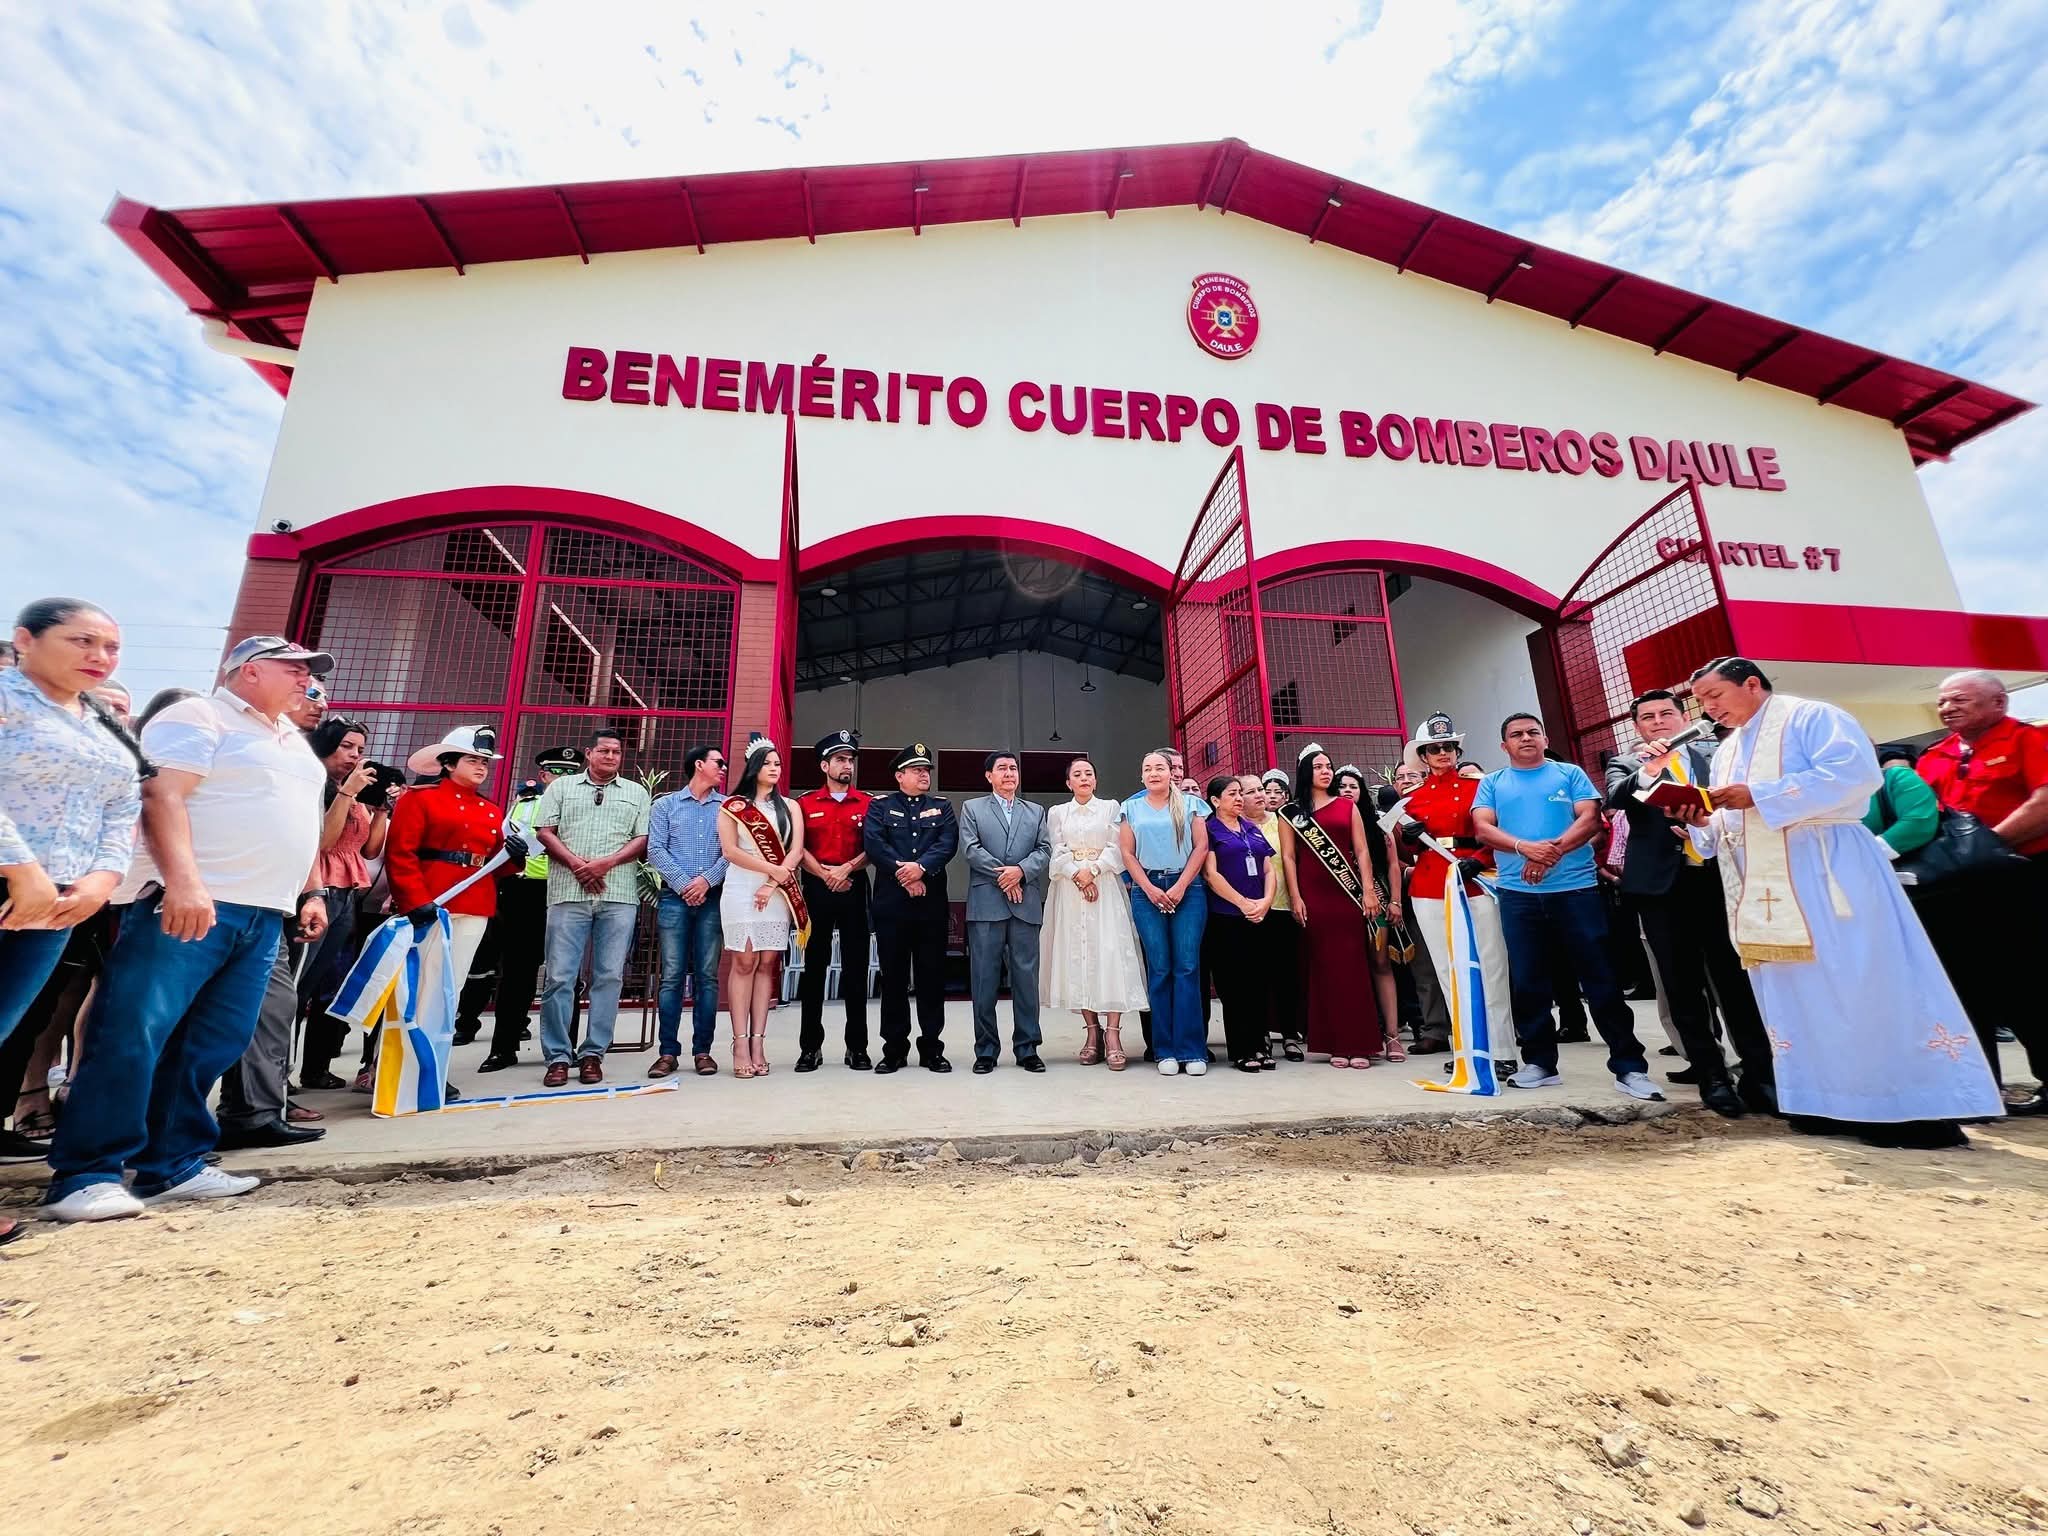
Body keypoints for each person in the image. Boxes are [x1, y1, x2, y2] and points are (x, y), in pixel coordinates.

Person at [43, 635, 331, 1222]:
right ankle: (86, 1174)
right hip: (194, 903)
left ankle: (172, 1164)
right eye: (292, 668)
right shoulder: (199, 715)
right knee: (134, 1034)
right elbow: (160, 794)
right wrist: (183, 882)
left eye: (309, 671)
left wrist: (310, 891)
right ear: (248, 672)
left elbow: (296, 822)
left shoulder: (290, 740)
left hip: (262, 912)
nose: (306, 679)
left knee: (212, 1041)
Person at [1693, 657, 2003, 1147]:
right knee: (1798, 995)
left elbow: (1856, 775)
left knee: (1862, 981)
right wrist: (1699, 820)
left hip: (1830, 872)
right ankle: (1828, 1101)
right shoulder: (1729, 748)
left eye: (1715, 695)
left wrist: (1760, 794)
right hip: (1770, 890)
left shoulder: (1812, 716)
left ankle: (1908, 1108)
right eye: (1702, 701)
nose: (1709, 708)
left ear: (1751, 684)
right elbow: (1731, 823)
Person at [0, 600, 144, 1240]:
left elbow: (123, 805)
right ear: (25, 639)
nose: (99, 656)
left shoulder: (103, 723)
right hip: (18, 882)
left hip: (62, 900)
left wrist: (102, 879)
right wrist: (18, 866)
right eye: (82, 641)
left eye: (110, 646)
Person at [1470, 712, 1660, 1099]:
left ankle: (1629, 1066)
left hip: (1576, 891)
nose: (1526, 738)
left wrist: (1548, 855)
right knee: (1529, 981)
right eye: (1517, 734)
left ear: (1545, 738)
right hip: (1518, 895)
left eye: (1533, 732)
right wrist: (1525, 848)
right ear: (1504, 745)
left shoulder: (1569, 774)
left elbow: (1589, 819)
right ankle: (1540, 1063)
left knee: (1600, 978)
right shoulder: (1492, 783)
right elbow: (1483, 828)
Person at [1605, 690, 1774, 1118]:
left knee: (1735, 980)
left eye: (1666, 713)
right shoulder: (1627, 763)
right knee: (1682, 984)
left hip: (1717, 879)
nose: (1658, 721)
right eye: (1648, 717)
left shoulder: (1715, 755)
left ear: (1683, 718)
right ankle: (1711, 1075)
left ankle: (1761, 1074)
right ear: (1638, 726)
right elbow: (1616, 798)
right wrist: (1650, 770)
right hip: (1662, 888)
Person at [1913, 670, 2048, 1112]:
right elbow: (1923, 815)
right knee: (1964, 983)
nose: (1947, 708)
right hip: (1956, 886)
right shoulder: (1934, 756)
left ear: (1998, 703)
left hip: (2021, 875)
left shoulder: (2029, 740)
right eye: (1943, 701)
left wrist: (1983, 848)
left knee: (2029, 982)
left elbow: (2044, 803)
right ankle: (1979, 1089)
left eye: (1960, 700)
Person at [534, 728, 650, 1087]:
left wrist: (605, 864)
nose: (611, 756)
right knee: (560, 977)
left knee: (609, 976)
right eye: (604, 751)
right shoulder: (561, 788)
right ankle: (557, 1056)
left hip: (618, 894)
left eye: (616, 752)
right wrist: (577, 865)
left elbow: (642, 839)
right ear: (589, 753)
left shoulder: (636, 792)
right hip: (568, 892)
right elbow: (545, 831)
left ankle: (593, 1054)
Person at [1399, 713, 1512, 1069]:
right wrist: (1409, 839)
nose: (1443, 753)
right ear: (1424, 755)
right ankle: (1466, 1049)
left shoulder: (1480, 787)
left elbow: (1499, 830)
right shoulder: (1413, 798)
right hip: (1431, 884)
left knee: (1492, 964)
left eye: (1448, 746)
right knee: (1448, 968)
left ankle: (1503, 1051)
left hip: (1476, 879)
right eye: (1435, 748)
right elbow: (1408, 850)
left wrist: (1481, 859)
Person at [294, 717, 395, 1090]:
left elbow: (369, 849)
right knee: (297, 987)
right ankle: (277, 1080)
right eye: (346, 746)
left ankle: (315, 1068)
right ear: (325, 746)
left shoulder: (349, 789)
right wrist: (347, 794)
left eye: (360, 750)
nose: (354, 756)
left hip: (347, 893)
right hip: (315, 890)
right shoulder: (314, 783)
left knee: (327, 984)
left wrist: (381, 809)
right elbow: (323, 841)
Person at [1276, 743, 1385, 1068]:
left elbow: (1362, 851)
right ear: (1305, 772)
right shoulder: (1291, 812)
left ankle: (1361, 1042)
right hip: (1313, 896)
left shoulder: (1346, 806)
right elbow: (1288, 857)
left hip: (1346, 895)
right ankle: (1334, 1043)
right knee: (1323, 969)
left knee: (1353, 966)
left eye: (1328, 766)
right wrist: (1295, 896)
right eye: (1318, 766)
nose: (1326, 771)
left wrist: (1368, 890)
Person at [475, 747, 579, 1071]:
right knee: (517, 971)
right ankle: (503, 1048)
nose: (563, 778)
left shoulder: (584, 806)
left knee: (567, 973)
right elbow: (506, 839)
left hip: (566, 889)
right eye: (557, 772)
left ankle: (566, 1048)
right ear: (544, 775)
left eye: (570, 773)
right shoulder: (525, 804)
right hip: (525, 891)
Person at [1042, 754, 1148, 1069]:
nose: (1084, 778)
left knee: (1109, 954)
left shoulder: (1111, 808)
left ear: (1096, 779)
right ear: (1068, 782)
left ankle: (1113, 1034)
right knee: (1079, 955)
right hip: (1070, 889)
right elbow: (1056, 849)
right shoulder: (1057, 812)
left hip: (1105, 887)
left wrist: (1094, 871)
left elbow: (1118, 847)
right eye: (1077, 774)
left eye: (1088, 773)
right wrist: (1078, 874)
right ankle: (1092, 1032)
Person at [863, 742, 958, 1073]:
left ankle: (932, 1048)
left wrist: (921, 869)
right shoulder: (880, 806)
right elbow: (875, 844)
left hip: (930, 904)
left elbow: (947, 843)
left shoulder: (942, 807)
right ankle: (894, 1049)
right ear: (899, 775)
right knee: (894, 978)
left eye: (926, 770)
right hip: (893, 905)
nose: (924, 775)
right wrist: (906, 875)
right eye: (917, 770)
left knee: (932, 977)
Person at [960, 750, 1052, 1073]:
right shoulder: (972, 808)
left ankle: (1028, 1048)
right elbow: (971, 849)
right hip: (987, 903)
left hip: (1025, 903)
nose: (1009, 773)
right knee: (984, 979)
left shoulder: (1035, 811)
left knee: (1026, 979)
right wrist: (1006, 876)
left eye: (1013, 768)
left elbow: (1044, 849)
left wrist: (1021, 872)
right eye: (1002, 769)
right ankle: (986, 1050)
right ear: (989, 776)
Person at [717, 736, 803, 1079]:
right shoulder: (733, 806)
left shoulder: (791, 807)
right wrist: (771, 871)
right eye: (767, 763)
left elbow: (796, 851)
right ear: (754, 767)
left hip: (776, 892)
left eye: (778, 764)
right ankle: (739, 1043)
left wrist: (772, 883)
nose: (774, 769)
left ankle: (758, 1043)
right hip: (742, 887)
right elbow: (730, 851)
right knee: (744, 961)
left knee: (768, 963)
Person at [1120, 749, 1211, 1075]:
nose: (1154, 773)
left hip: (1188, 889)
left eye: (1159, 767)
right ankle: (1165, 1050)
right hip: (1148, 890)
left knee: (1187, 967)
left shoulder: (1191, 804)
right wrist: (1149, 888)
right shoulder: (1129, 808)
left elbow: (1201, 846)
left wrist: (1181, 885)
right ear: (1141, 775)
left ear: (1171, 772)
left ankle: (1192, 1050)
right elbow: (1127, 854)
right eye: (1148, 769)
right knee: (1159, 969)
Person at [646, 742, 728, 1078]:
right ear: (698, 765)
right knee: (672, 977)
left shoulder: (727, 807)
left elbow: (731, 853)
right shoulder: (665, 805)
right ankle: (667, 1052)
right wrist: (684, 885)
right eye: (718, 762)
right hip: (673, 898)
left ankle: (703, 1051)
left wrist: (705, 882)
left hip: (712, 898)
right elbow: (655, 850)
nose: (723, 768)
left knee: (708, 977)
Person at [793, 730, 872, 1072]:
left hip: (854, 886)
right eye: (840, 759)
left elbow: (875, 847)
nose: (847, 765)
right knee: (814, 969)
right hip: (817, 888)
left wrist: (847, 869)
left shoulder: (868, 803)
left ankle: (857, 1047)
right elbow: (798, 848)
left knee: (856, 969)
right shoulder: (805, 803)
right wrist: (826, 875)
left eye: (850, 759)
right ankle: (810, 1048)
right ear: (824, 765)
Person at [1202, 773, 1279, 1071]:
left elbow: (1268, 869)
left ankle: (1260, 1046)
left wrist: (1265, 901)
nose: (1238, 798)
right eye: (1232, 794)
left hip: (1258, 915)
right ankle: (1241, 1050)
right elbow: (1211, 874)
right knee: (1234, 985)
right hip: (1226, 918)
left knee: (1258, 982)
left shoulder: (1251, 828)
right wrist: (1243, 903)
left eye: (1239, 793)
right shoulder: (1210, 830)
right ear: (1215, 800)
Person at [1333, 762, 1405, 1052]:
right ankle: (1357, 1034)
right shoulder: (1325, 824)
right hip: (1340, 901)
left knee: (1381, 963)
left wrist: (1396, 900)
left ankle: (1392, 1035)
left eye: (1353, 786)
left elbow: (1392, 865)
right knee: (1349, 967)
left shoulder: (1378, 823)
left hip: (1377, 900)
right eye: (1341, 786)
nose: (1347, 790)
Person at [1249, 769, 1304, 1060]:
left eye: (1263, 790)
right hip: (1250, 910)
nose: (1261, 795)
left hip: (1282, 906)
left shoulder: (1281, 821)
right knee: (1257, 975)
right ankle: (1262, 1035)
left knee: (1286, 974)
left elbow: (1291, 859)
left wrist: (1296, 898)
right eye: (1254, 791)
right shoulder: (1236, 826)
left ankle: (1290, 1035)